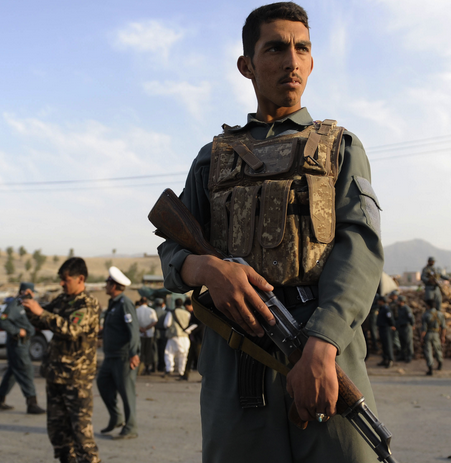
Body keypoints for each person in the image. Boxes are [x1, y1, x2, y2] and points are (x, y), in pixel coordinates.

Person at [157, 3, 384, 461]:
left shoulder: (340, 147)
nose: (292, 61)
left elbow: (359, 248)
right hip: (235, 357)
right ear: (247, 65)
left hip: (322, 350)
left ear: (312, 62)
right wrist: (208, 270)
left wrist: (324, 343)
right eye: (276, 48)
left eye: (302, 49)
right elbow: (172, 253)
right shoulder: (211, 158)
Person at [22, 257, 101, 463]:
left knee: (81, 436)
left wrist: (41, 313)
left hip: (76, 379)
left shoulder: (88, 305)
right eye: (61, 279)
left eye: (66, 279)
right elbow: (42, 319)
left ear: (80, 279)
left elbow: (71, 329)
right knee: (59, 434)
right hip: (56, 376)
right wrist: (29, 305)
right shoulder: (62, 300)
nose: (62, 283)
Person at [96, 267, 140, 440]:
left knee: (127, 392)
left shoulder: (124, 303)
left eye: (107, 283)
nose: (105, 285)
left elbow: (133, 330)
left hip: (123, 356)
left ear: (113, 286)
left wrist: (134, 353)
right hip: (110, 356)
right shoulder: (113, 304)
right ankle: (116, 417)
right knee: (102, 384)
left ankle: (131, 427)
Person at [0, 282, 46, 414]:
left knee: (12, 373)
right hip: (17, 344)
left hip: (23, 343)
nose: (32, 295)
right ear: (25, 291)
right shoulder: (15, 305)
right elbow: (3, 322)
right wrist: (17, 331)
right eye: (31, 292)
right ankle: (32, 403)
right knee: (26, 370)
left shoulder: (24, 305)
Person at [163, 298, 191, 377]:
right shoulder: (187, 313)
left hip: (174, 336)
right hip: (185, 337)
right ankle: (181, 371)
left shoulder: (171, 313)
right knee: (183, 355)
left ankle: (169, 369)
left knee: (169, 353)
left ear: (175, 304)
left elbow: (167, 324)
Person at [420, 300, 445, 376]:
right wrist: (443, 336)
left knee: (428, 351)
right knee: (438, 349)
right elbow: (443, 327)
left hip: (428, 334)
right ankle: (440, 363)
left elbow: (424, 329)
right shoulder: (440, 314)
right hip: (436, 334)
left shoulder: (426, 315)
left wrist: (422, 338)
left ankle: (430, 367)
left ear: (428, 306)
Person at [180, 297, 203, 381]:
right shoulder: (193, 313)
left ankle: (204, 376)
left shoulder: (198, 313)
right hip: (193, 339)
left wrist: (191, 331)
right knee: (190, 357)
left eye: (187, 307)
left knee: (200, 358)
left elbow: (201, 325)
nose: (186, 309)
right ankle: (185, 375)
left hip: (198, 339)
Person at [136, 297, 158, 375]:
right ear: (147, 302)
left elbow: (134, 322)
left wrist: (141, 329)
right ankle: (147, 368)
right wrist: (146, 329)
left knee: (140, 351)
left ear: (140, 302)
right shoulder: (151, 310)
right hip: (149, 334)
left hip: (139, 334)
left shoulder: (136, 310)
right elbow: (155, 321)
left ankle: (139, 368)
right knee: (148, 351)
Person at [393, 295, 415, 363]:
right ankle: (403, 355)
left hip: (406, 327)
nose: (397, 302)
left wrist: (412, 324)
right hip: (401, 327)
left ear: (402, 302)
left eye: (398, 301)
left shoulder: (406, 309)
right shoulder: (399, 308)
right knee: (402, 342)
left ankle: (410, 356)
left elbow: (411, 317)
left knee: (408, 342)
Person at [375, 296, 394, 368]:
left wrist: (392, 325)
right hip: (382, 328)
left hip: (386, 329)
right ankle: (385, 359)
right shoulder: (381, 308)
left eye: (379, 301)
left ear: (382, 301)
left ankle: (390, 360)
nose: (378, 302)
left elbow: (390, 318)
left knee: (388, 345)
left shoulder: (386, 308)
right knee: (384, 345)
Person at [152, 298, 168, 373]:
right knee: (163, 350)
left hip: (155, 332)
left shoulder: (153, 311)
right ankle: (161, 366)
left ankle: (154, 366)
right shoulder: (166, 312)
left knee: (155, 349)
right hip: (164, 332)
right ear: (162, 304)